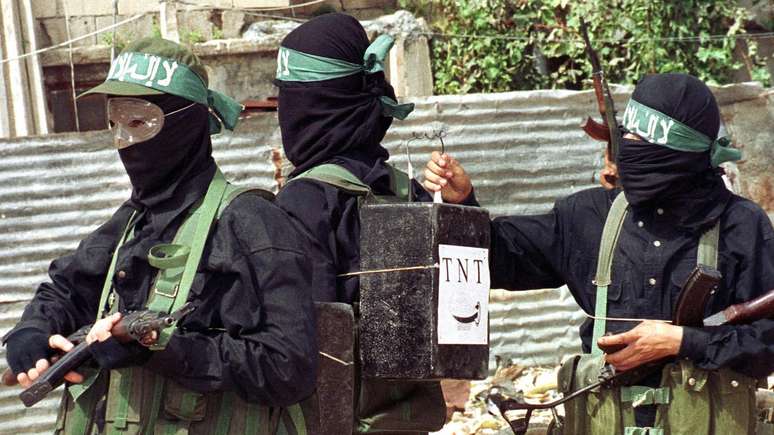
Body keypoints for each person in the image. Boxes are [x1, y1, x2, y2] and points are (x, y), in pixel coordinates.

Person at [424, 73, 774, 433]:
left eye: (641, 139)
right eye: (627, 135)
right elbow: (501, 258)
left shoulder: (740, 226)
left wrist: (683, 342)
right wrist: (461, 204)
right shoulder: (591, 216)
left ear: (678, 152)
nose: (628, 147)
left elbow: (767, 341)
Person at [2, 37, 317, 434]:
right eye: (115, 123)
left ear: (186, 123)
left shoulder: (252, 223)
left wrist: (160, 349)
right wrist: (32, 331)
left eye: (138, 122)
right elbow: (67, 288)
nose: (124, 142)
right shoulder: (132, 221)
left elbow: (289, 366)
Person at [272, 12, 474, 434]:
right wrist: (464, 205)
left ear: (316, 105)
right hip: (410, 419)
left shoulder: (306, 200)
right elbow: (463, 296)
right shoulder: (402, 188)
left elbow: (316, 344)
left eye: (290, 98)